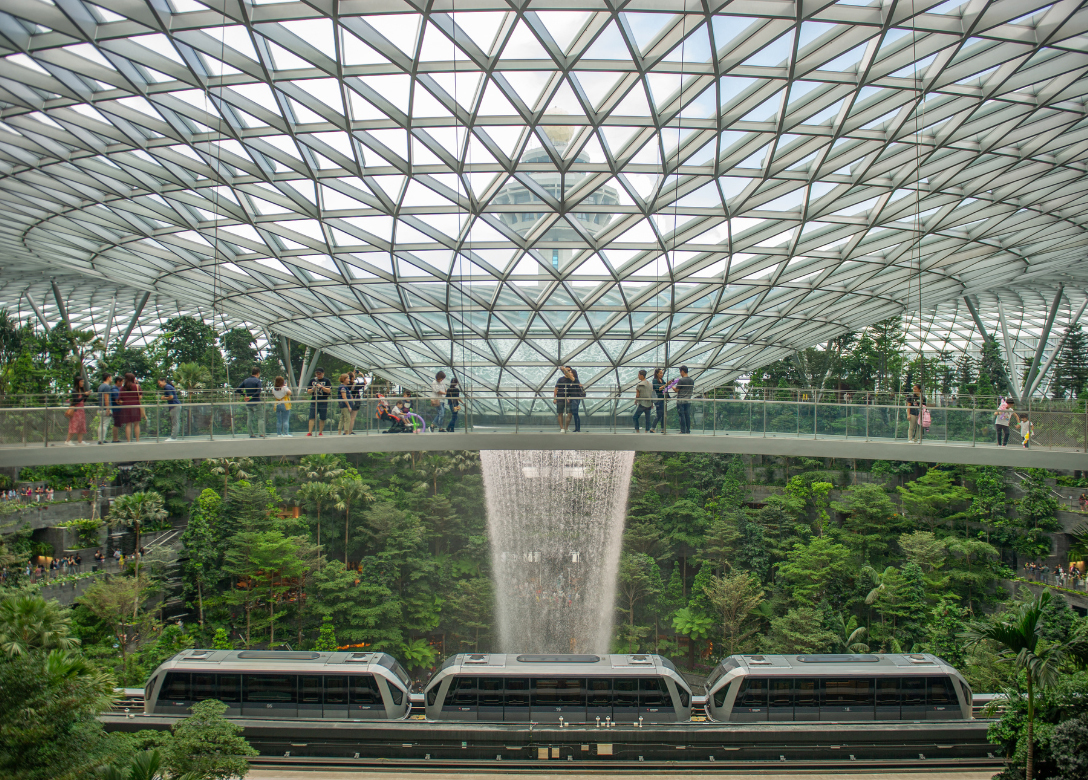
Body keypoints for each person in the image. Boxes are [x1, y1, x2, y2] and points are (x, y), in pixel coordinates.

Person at [236, 366, 265, 438]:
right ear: (258, 373)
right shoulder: (257, 381)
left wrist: (245, 396)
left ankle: (251, 434)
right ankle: (261, 433)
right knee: (260, 418)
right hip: (256, 402)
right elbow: (258, 391)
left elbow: (238, 389)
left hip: (249, 403)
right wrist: (251, 397)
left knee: (250, 419)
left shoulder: (246, 381)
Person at [65, 376, 90, 446]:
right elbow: (76, 400)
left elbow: (83, 400)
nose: (82, 383)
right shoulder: (74, 391)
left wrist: (86, 395)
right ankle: (68, 440)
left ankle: (80, 440)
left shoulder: (81, 390)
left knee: (81, 425)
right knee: (74, 425)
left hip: (81, 410)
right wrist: (84, 395)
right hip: (76, 410)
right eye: (81, 382)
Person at [118, 372, 142, 442]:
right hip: (135, 406)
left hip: (126, 407)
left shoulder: (122, 388)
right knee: (136, 424)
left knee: (128, 424)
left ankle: (128, 440)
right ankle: (137, 440)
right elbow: (140, 397)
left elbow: (120, 399)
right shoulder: (137, 386)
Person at [307, 368, 332, 435]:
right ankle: (310, 432)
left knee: (322, 417)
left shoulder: (326, 380)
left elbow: (329, 390)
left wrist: (321, 387)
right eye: (317, 374)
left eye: (320, 374)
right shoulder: (312, 380)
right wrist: (313, 388)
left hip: (323, 400)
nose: (318, 375)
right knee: (311, 416)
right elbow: (308, 391)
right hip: (314, 400)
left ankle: (320, 432)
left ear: (323, 373)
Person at [157, 377, 182, 441]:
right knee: (175, 421)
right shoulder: (169, 387)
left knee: (175, 422)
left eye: (160, 383)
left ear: (163, 381)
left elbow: (171, 397)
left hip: (174, 405)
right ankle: (173, 436)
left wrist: (164, 398)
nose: (159, 385)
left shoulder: (167, 387)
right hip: (175, 405)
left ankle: (173, 437)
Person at [675, 365, 694, 434]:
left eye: (680, 372)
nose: (680, 374)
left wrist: (671, 386)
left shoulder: (681, 380)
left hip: (681, 400)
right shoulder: (691, 380)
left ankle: (682, 430)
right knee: (687, 415)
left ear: (682, 371)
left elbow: (677, 390)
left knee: (681, 415)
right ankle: (688, 430)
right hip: (688, 400)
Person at [96, 371, 114, 444]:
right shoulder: (107, 386)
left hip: (101, 407)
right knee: (105, 424)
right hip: (105, 408)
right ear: (108, 378)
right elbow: (106, 398)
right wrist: (108, 409)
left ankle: (100, 438)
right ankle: (102, 439)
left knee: (101, 424)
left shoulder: (101, 386)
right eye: (111, 377)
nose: (111, 379)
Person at [650, 368, 668, 433]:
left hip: (662, 398)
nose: (661, 374)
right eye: (660, 373)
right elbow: (658, 389)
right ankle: (652, 427)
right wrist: (665, 385)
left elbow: (665, 386)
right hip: (658, 399)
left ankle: (663, 428)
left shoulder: (662, 380)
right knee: (659, 413)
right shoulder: (655, 381)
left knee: (663, 414)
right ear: (657, 374)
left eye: (662, 373)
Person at [554, 366, 572, 432]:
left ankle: (566, 427)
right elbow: (556, 389)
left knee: (570, 412)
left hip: (569, 398)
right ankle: (562, 428)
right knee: (560, 412)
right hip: (560, 397)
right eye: (565, 370)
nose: (567, 371)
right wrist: (555, 398)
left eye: (569, 370)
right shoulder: (560, 379)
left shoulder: (572, 379)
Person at [567, 367, 584, 432]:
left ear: (574, 374)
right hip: (572, 399)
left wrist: (564, 370)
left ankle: (578, 428)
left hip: (576, 398)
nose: (569, 373)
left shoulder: (575, 380)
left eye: (571, 372)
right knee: (574, 413)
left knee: (575, 413)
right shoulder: (571, 382)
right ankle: (577, 428)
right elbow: (569, 391)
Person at [110, 375, 124, 442]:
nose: (122, 384)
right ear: (118, 382)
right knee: (116, 423)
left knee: (117, 423)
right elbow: (118, 401)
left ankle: (116, 438)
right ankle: (115, 438)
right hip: (116, 409)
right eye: (122, 382)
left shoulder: (118, 389)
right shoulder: (115, 390)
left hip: (118, 409)